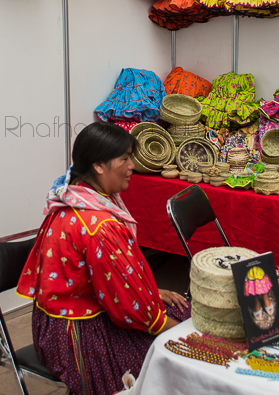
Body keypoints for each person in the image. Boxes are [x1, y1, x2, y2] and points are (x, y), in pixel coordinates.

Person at [16, 122, 190, 395]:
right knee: (181, 339)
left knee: (178, 309)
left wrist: (150, 291)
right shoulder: (98, 225)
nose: (132, 166)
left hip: (51, 328)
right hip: (78, 338)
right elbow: (130, 309)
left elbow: (105, 281)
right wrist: (178, 332)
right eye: (124, 159)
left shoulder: (69, 197)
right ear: (99, 166)